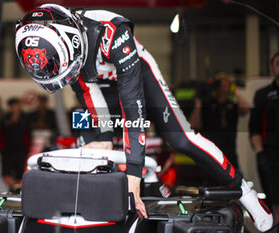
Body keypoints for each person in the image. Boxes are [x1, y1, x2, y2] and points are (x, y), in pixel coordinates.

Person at [15, 4, 273, 231]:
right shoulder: (69, 55)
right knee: (90, 144)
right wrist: (105, 136)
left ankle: (246, 193)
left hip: (138, 76)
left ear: (74, 42)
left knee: (181, 138)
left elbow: (133, 105)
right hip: (99, 85)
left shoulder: (113, 31)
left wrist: (134, 174)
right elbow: (84, 89)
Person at [190, 73, 250, 170]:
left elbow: (246, 108)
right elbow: (194, 124)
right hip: (211, 155)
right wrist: (198, 103)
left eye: (226, 84)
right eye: (220, 84)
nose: (223, 87)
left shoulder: (232, 105)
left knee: (235, 182)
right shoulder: (207, 105)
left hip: (230, 155)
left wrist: (235, 92)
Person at [249, 52, 279, 228]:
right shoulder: (262, 95)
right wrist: (260, 153)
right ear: (272, 68)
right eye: (277, 63)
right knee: (274, 202)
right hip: (270, 156)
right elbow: (254, 127)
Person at [0, 97, 31, 191]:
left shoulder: (25, 119)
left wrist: (27, 148)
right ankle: (11, 188)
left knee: (20, 172)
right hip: (7, 150)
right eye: (13, 106)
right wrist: (1, 148)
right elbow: (1, 135)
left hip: (21, 150)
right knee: (6, 173)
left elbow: (28, 135)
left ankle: (17, 189)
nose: (15, 108)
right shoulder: (5, 119)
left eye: (17, 105)